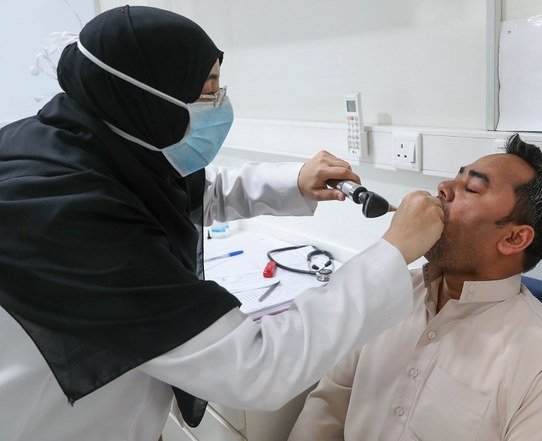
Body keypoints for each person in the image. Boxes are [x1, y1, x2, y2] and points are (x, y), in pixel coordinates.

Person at [0, 6, 444, 441]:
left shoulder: (80, 138)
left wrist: (294, 181)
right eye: (208, 88)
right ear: (149, 96)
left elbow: (173, 193)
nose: (221, 102)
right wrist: (393, 252)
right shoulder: (64, 213)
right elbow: (255, 367)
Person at [289, 134, 542, 441]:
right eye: (455, 178)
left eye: (471, 188)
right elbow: (330, 403)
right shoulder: (384, 295)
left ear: (514, 239)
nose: (443, 189)